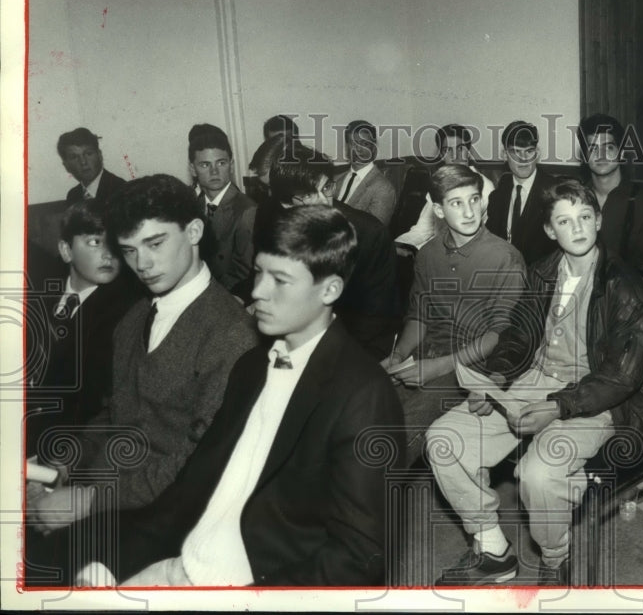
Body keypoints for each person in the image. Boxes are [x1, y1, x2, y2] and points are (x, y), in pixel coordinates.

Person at [28, 205, 405, 587]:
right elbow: (190, 491)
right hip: (183, 558)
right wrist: (109, 563)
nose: (257, 291)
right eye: (258, 272)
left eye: (280, 279)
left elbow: (358, 558)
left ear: (330, 289)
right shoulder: (252, 367)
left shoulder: (364, 394)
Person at [427, 179, 643, 586]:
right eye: (565, 221)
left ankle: (555, 559)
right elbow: (518, 336)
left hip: (598, 395)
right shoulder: (541, 272)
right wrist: (495, 379)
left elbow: (622, 376)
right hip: (533, 379)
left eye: (585, 217)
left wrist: (558, 408)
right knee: (443, 439)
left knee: (538, 474)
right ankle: (493, 550)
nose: (578, 228)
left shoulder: (626, 284)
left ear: (599, 220)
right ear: (551, 231)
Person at [26, 174, 259, 530]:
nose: (142, 264)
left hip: (166, 519)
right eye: (130, 250)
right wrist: (64, 461)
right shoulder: (135, 316)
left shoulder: (231, 335)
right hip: (103, 494)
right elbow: (115, 412)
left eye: (155, 243)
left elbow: (198, 462)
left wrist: (87, 502)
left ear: (194, 232)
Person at [381, 164, 526, 466]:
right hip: (427, 355)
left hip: (472, 366)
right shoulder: (428, 253)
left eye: (474, 199)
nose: (470, 211)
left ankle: (366, 504)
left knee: (400, 431)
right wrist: (398, 354)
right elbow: (419, 316)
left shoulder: (505, 257)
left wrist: (438, 367)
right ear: (437, 209)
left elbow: (498, 336)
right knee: (367, 406)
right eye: (456, 203)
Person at [260, 142, 400, 359]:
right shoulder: (278, 229)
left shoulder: (370, 235)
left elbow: (375, 320)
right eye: (307, 194)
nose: (324, 201)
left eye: (326, 188)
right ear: (286, 204)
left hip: (359, 346)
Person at [24, 200, 142, 454]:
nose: (108, 253)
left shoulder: (126, 312)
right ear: (66, 251)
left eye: (114, 242)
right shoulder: (40, 297)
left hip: (71, 447)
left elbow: (103, 407)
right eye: (94, 242)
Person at [578, 113, 643, 273]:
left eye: (608, 147)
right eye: (593, 148)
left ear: (622, 153)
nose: (600, 155)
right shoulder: (574, 199)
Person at [395, 123, 496, 251]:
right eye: (448, 150)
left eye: (460, 148)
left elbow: (474, 239)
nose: (455, 155)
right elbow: (422, 229)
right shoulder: (439, 184)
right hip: (437, 250)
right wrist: (394, 246)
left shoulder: (484, 187)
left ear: (469, 152)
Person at [189, 123, 257, 291]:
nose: (214, 172)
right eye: (205, 165)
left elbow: (242, 273)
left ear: (231, 165)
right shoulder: (192, 207)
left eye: (221, 163)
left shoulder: (246, 210)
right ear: (192, 169)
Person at [485, 120, 559, 266]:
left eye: (529, 151)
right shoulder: (498, 195)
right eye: (515, 152)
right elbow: (490, 243)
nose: (523, 159)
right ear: (505, 155)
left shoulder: (554, 191)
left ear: (536, 154)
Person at [332, 119, 397, 226]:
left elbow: (374, 233)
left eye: (365, 143)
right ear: (347, 146)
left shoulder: (384, 189)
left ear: (373, 147)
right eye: (353, 143)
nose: (359, 149)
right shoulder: (335, 179)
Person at [58, 127, 127, 202]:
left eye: (88, 154)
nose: (83, 162)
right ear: (66, 166)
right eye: (74, 157)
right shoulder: (73, 195)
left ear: (99, 155)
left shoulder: (121, 190)